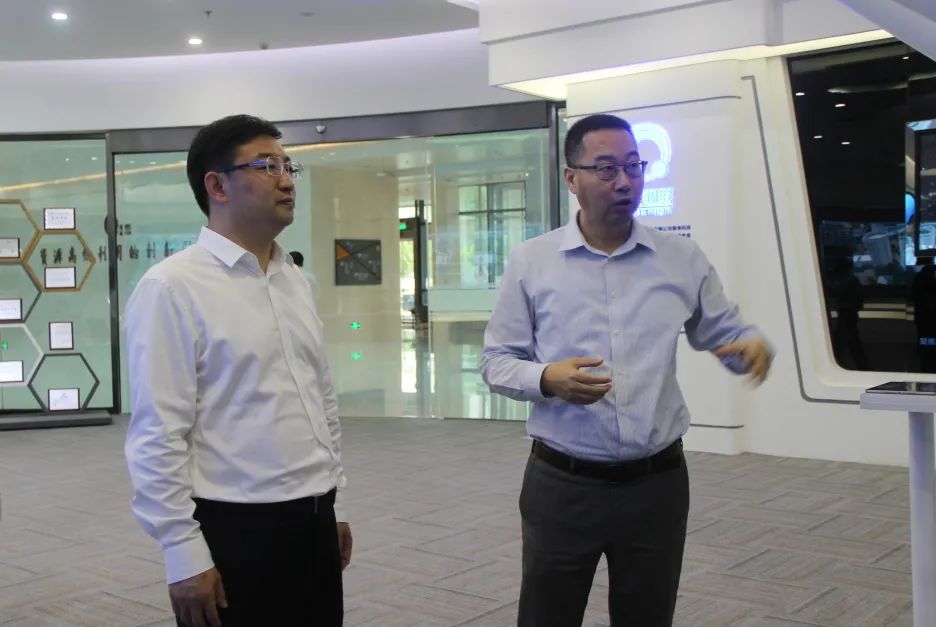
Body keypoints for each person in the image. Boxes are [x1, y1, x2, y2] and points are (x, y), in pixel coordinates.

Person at [480, 113, 773, 627]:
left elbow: (723, 331)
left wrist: (747, 348)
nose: (624, 181)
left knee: (648, 616)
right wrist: (548, 379)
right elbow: (496, 362)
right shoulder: (533, 262)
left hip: (656, 485)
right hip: (563, 484)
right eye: (606, 168)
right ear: (572, 178)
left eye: (634, 166)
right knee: (547, 615)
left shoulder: (681, 258)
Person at [124, 114, 351, 627]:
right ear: (217, 186)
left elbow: (320, 399)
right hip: (234, 528)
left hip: (313, 516)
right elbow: (158, 433)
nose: (287, 181)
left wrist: (335, 503)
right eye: (267, 166)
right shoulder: (171, 288)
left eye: (288, 166)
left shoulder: (296, 280)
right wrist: (182, 551)